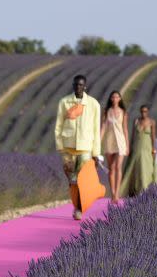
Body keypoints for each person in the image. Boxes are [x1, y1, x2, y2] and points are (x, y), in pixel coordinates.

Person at [54, 74, 102, 220]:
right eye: (76, 84)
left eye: (81, 85)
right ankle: (76, 205)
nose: (78, 87)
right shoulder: (64, 102)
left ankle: (79, 208)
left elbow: (96, 129)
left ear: (85, 86)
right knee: (72, 180)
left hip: (85, 147)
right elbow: (58, 126)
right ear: (73, 85)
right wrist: (60, 146)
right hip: (68, 147)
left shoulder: (93, 104)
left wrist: (96, 153)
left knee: (83, 180)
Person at [120, 105, 157, 196]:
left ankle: (145, 189)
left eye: (145, 111)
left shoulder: (152, 122)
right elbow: (133, 136)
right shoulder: (136, 121)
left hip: (147, 148)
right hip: (137, 147)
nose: (143, 113)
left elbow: (153, 136)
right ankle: (133, 190)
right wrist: (129, 147)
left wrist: (154, 148)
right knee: (135, 167)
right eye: (142, 111)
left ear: (148, 112)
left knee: (146, 168)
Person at [100, 90, 129, 203]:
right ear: (111, 99)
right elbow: (103, 127)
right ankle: (112, 193)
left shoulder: (123, 112)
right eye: (113, 97)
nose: (115, 99)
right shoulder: (107, 111)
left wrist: (127, 145)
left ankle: (117, 193)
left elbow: (125, 129)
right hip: (109, 141)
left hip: (120, 141)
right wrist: (98, 141)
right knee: (111, 168)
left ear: (120, 99)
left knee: (118, 167)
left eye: (117, 97)